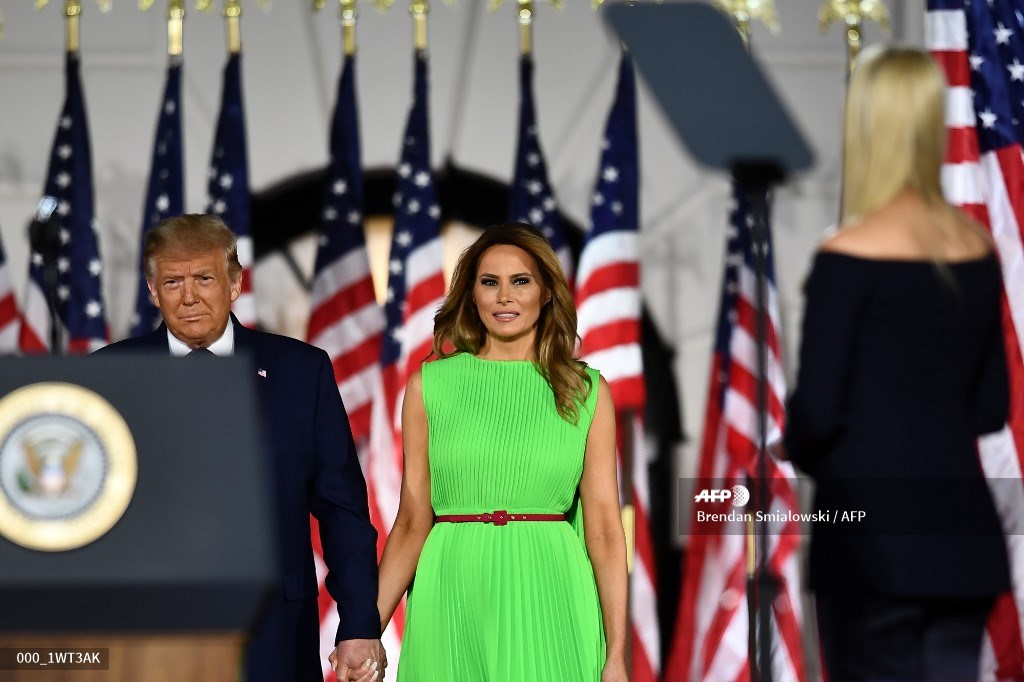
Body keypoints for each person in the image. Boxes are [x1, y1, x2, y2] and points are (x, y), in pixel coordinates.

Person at [778, 47, 1011, 681]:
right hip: (963, 544)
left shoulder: (846, 256)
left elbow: (818, 413)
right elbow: (990, 408)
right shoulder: (976, 249)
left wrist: (794, 445)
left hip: (869, 542)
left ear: (866, 128)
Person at [96, 214, 385, 682]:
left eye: (204, 278)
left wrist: (357, 624)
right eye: (172, 281)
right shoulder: (112, 374)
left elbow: (342, 509)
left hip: (272, 630)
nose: (189, 296)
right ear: (153, 292)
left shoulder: (300, 371)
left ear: (234, 284)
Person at [375, 222, 628, 681]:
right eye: (489, 282)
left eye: (521, 281)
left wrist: (617, 654)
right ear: (472, 294)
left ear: (547, 292)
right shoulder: (429, 386)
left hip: (551, 591)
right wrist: (363, 630)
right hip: (451, 588)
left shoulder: (586, 391)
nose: (504, 296)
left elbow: (606, 529)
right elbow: (412, 519)